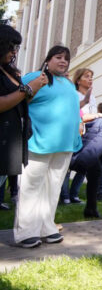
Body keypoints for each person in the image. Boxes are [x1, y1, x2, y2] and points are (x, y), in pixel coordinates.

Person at [14, 46, 79, 247]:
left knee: (53, 187)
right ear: (48, 59)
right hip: (38, 143)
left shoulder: (68, 84)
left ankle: (46, 227)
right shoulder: (35, 77)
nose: (63, 62)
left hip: (64, 145)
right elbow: (18, 101)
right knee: (31, 188)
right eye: (58, 57)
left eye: (66, 59)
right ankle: (26, 232)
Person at [0, 26, 38, 219]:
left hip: (10, 141)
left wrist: (31, 90)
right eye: (11, 46)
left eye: (17, 47)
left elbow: (19, 101)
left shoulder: (9, 71)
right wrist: (28, 88)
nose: (15, 51)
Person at [69, 101, 102, 219]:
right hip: (75, 148)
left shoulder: (93, 118)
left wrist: (96, 116)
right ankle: (89, 208)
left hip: (81, 147)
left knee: (95, 172)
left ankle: (91, 208)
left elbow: (82, 119)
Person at [63, 67, 97, 205]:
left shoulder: (92, 97)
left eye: (91, 76)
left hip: (88, 134)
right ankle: (64, 196)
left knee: (85, 164)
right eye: (86, 76)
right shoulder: (73, 94)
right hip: (73, 133)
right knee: (67, 166)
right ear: (78, 80)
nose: (90, 79)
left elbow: (93, 114)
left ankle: (74, 194)